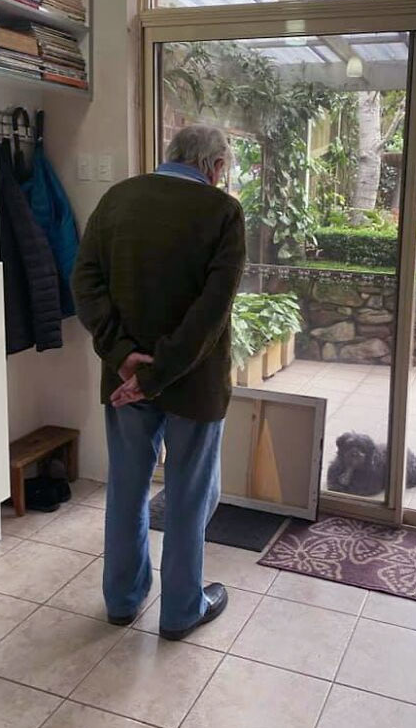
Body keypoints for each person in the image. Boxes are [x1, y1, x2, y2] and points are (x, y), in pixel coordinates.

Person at [72, 125, 246, 640]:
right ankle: (180, 612)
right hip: (192, 383)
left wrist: (127, 359)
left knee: (126, 487)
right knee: (191, 495)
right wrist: (159, 373)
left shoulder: (117, 199)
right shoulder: (222, 212)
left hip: (123, 381)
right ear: (215, 167)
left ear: (171, 156)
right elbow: (211, 311)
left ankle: (122, 602)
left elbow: (84, 282)